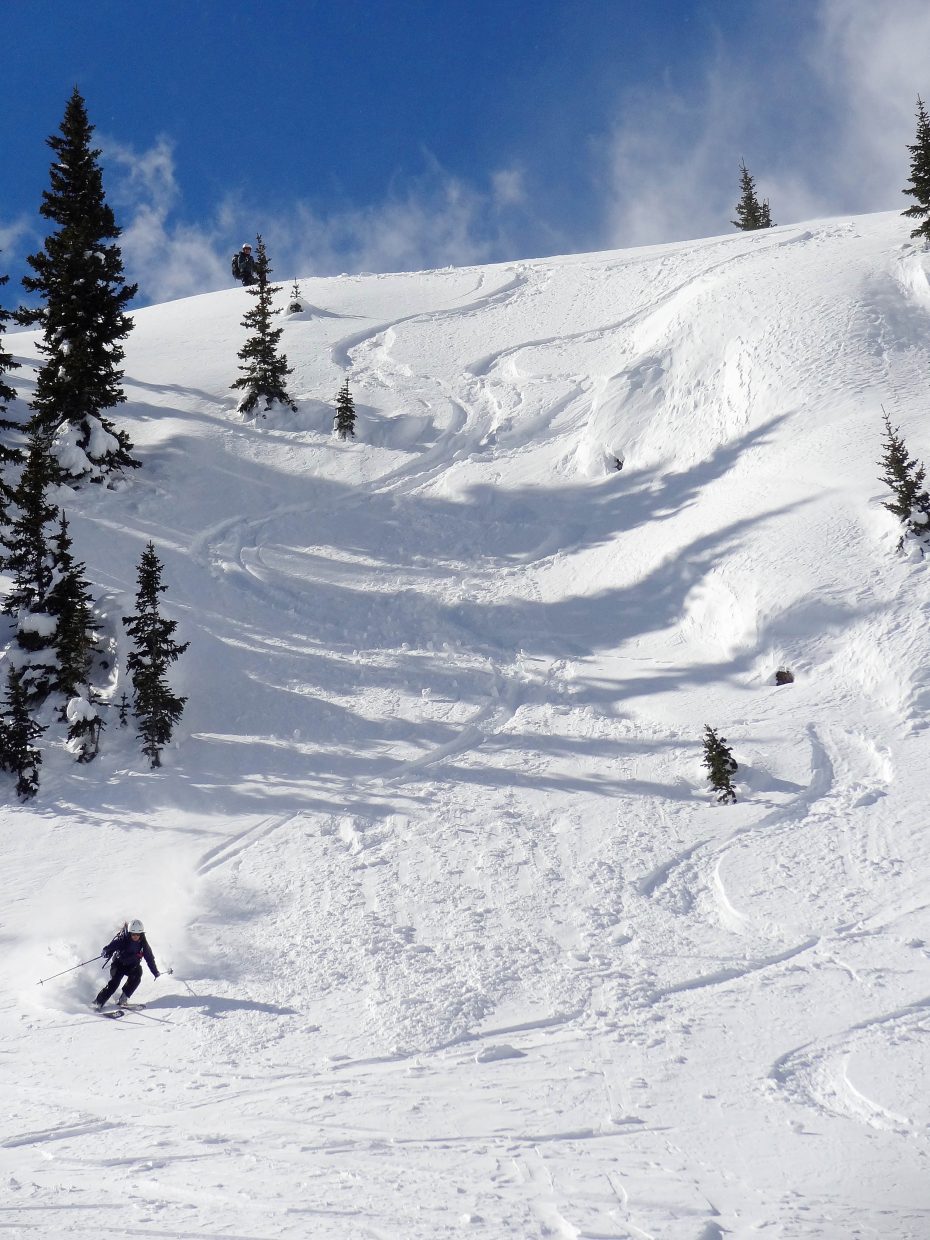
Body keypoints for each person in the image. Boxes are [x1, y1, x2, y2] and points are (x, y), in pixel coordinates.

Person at [94, 919, 160, 1009]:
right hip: (118, 965)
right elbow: (109, 948)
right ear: (129, 932)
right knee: (114, 983)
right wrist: (106, 952)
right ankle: (98, 1002)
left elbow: (149, 958)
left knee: (137, 975)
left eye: (138, 934)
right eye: (133, 934)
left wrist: (155, 972)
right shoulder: (123, 939)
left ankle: (123, 999)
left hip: (132, 966)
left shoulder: (143, 943)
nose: (136, 936)